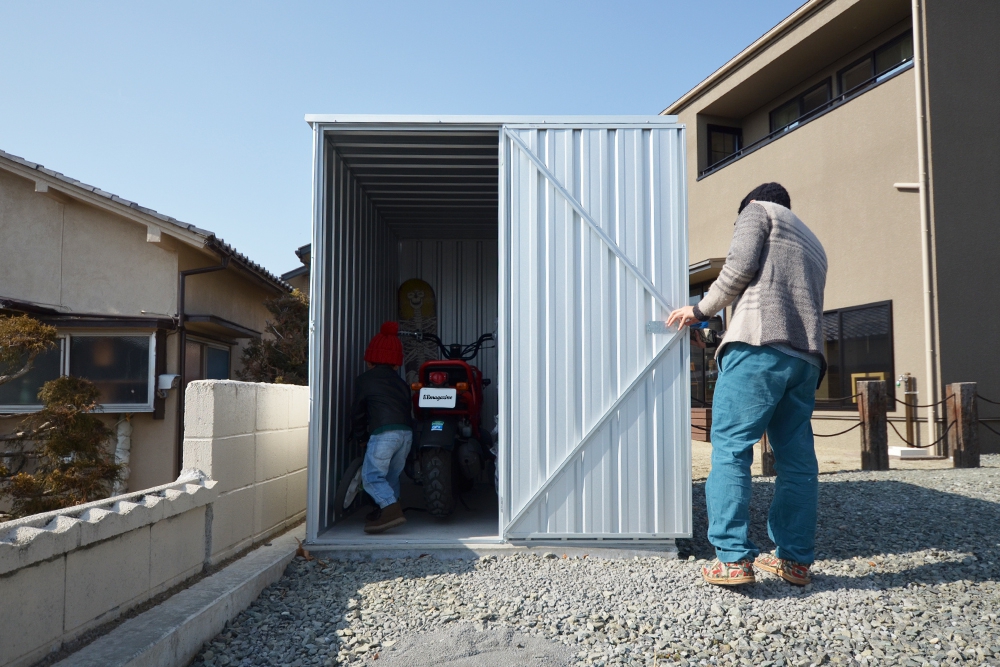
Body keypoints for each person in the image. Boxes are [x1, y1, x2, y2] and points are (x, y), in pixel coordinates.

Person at [667, 183, 827, 587]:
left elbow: (737, 269)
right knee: (798, 464)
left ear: (751, 203)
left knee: (732, 450)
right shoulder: (814, 242)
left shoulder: (758, 211)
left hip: (759, 348)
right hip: (806, 359)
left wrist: (698, 309)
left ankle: (733, 560)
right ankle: (794, 561)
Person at [351, 321, 414, 534]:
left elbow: (359, 412)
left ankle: (390, 509)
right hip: (405, 434)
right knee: (391, 476)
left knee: (371, 477)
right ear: (396, 364)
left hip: (384, 433)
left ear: (369, 360)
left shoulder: (365, 380)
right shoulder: (402, 383)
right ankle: (385, 513)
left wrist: (360, 436)